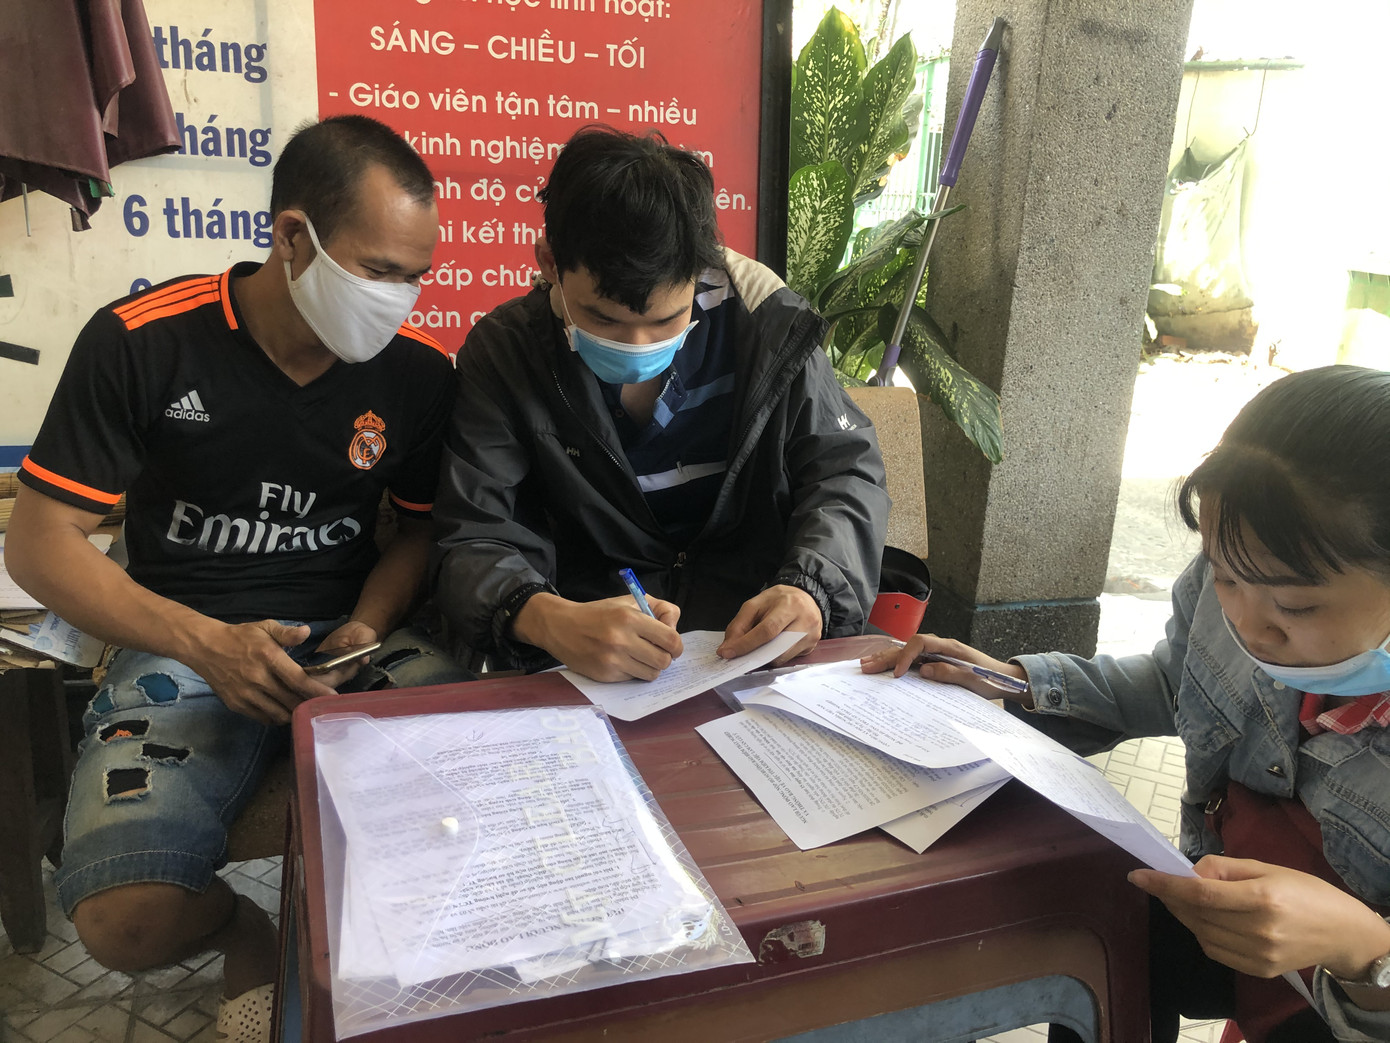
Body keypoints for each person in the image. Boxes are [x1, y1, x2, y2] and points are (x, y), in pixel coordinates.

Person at [7, 115, 470, 1043]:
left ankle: (377, 979)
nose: (400, 301)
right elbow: (39, 543)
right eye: (380, 271)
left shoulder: (417, 376)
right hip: (181, 648)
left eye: (416, 276)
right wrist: (206, 643)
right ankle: (246, 931)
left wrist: (367, 622)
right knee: (123, 918)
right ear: (293, 237)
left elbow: (420, 532)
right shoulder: (145, 343)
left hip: (348, 643)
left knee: (475, 809)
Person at [864, 365, 1390, 1043]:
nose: (1248, 624)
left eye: (1294, 605)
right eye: (1224, 577)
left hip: (1354, 1000)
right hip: (1228, 913)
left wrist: (1364, 948)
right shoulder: (1243, 571)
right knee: (1096, 926)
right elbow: (1177, 683)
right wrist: (1015, 683)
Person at [432, 126, 890, 680]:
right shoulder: (507, 353)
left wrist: (810, 588)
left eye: (667, 320)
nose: (637, 345)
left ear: (700, 270)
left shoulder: (766, 329)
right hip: (587, 652)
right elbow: (475, 529)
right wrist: (544, 617)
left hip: (754, 644)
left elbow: (844, 472)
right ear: (550, 262)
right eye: (603, 320)